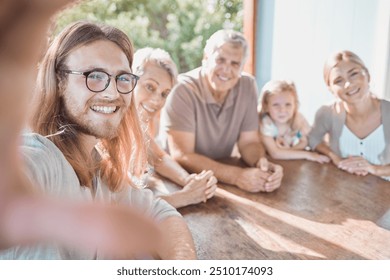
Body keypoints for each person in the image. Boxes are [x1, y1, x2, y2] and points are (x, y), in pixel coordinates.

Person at [0, 20, 196, 259]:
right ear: (59, 82)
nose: (112, 93)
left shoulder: (98, 168)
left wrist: (184, 263)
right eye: (94, 75)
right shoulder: (42, 157)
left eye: (122, 78)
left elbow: (159, 212)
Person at [160, 29, 283, 193]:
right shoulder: (182, 90)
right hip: (180, 181)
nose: (226, 70)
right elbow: (183, 155)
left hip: (220, 177)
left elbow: (249, 142)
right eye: (220, 60)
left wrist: (261, 164)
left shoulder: (247, 86)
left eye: (235, 64)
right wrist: (237, 176)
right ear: (205, 59)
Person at [132, 47, 217, 208]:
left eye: (164, 93)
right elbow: (126, 208)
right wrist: (186, 196)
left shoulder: (135, 126)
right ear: (129, 80)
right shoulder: (108, 127)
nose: (157, 100)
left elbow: (159, 158)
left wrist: (188, 180)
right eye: (150, 86)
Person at [309, 50, 390, 180]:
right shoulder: (326, 113)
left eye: (353, 74)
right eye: (338, 80)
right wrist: (335, 158)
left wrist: (374, 169)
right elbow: (313, 139)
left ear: (367, 75)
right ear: (331, 89)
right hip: (342, 194)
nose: (348, 84)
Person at [258, 80, 330, 163]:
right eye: (276, 105)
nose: (282, 110)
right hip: (269, 162)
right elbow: (275, 153)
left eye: (288, 104)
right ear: (266, 106)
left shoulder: (298, 119)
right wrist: (308, 155)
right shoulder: (266, 124)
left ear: (295, 105)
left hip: (290, 162)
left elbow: (304, 141)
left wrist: (289, 149)